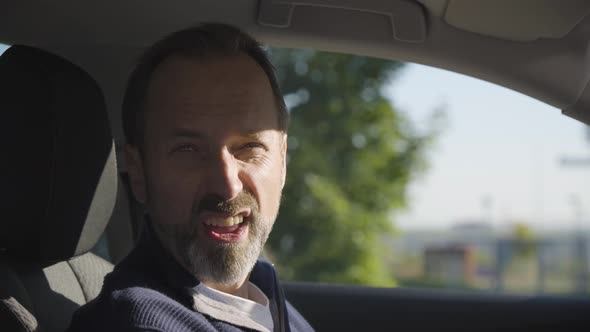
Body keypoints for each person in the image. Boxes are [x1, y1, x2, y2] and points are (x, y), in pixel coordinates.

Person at [68, 23, 313, 332]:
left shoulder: (264, 296)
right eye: (187, 149)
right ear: (139, 172)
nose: (227, 186)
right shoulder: (141, 323)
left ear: (282, 161)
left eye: (250, 147)